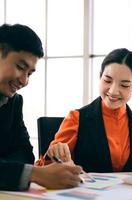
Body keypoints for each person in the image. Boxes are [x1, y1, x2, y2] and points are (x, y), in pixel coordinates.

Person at [42, 48, 132, 172]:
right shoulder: (76, 118)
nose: (113, 91)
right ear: (100, 76)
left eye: (124, 85)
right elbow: (45, 168)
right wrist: (57, 156)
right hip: (85, 192)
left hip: (127, 194)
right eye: (107, 80)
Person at [0, 23, 82, 191]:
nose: (24, 81)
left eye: (29, 73)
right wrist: (36, 174)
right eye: (20, 67)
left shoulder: (14, 102)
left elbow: (24, 154)